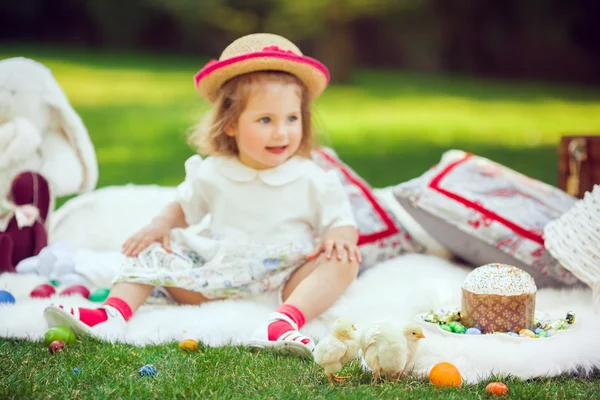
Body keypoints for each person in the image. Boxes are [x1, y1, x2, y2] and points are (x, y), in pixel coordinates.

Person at [44, 33, 360, 358]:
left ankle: (283, 321)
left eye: (292, 119)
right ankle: (112, 314)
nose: (282, 132)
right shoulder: (214, 171)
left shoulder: (311, 176)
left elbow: (342, 221)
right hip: (214, 277)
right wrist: (161, 223)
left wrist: (339, 236)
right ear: (230, 125)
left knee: (344, 259)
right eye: (265, 120)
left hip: (284, 279)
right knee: (153, 244)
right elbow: (183, 208)